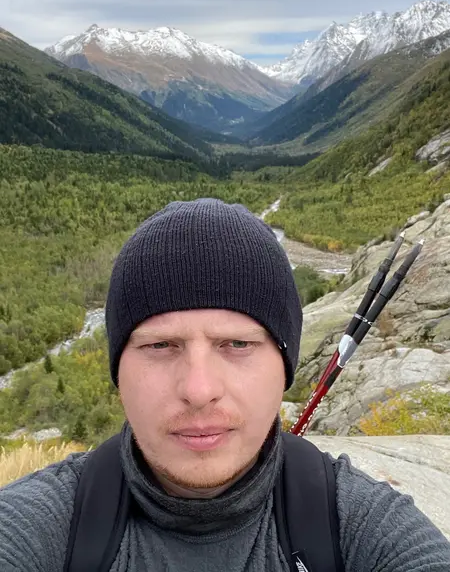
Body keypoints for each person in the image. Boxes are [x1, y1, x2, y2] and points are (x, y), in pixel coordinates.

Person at [0, 197, 449, 572]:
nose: (199, 390)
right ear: (118, 371)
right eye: (160, 345)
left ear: (284, 368)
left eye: (237, 343)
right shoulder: (40, 525)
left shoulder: (361, 525)